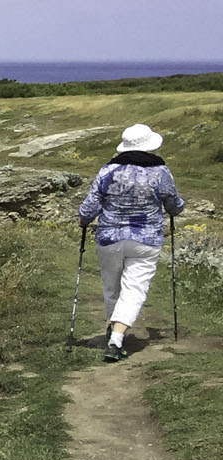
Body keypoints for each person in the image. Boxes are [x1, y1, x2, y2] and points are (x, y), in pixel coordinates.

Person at [78, 123, 184, 362]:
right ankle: (117, 339)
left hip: (110, 237)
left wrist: (83, 219)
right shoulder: (160, 172)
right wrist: (176, 208)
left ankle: (114, 329)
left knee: (112, 287)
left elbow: (91, 204)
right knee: (134, 289)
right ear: (150, 147)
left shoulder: (108, 170)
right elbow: (174, 204)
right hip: (146, 239)